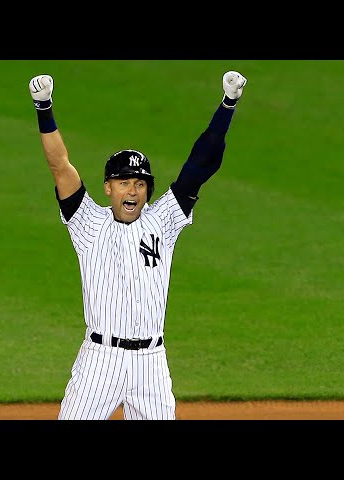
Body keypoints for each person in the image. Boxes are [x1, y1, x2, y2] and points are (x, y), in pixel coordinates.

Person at [28, 68, 248, 420]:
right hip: (100, 361)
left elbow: (201, 164)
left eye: (141, 184)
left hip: (151, 365)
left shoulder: (163, 219)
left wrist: (228, 105)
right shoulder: (87, 222)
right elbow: (59, 166)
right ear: (108, 187)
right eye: (124, 182)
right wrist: (44, 108)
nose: (132, 190)